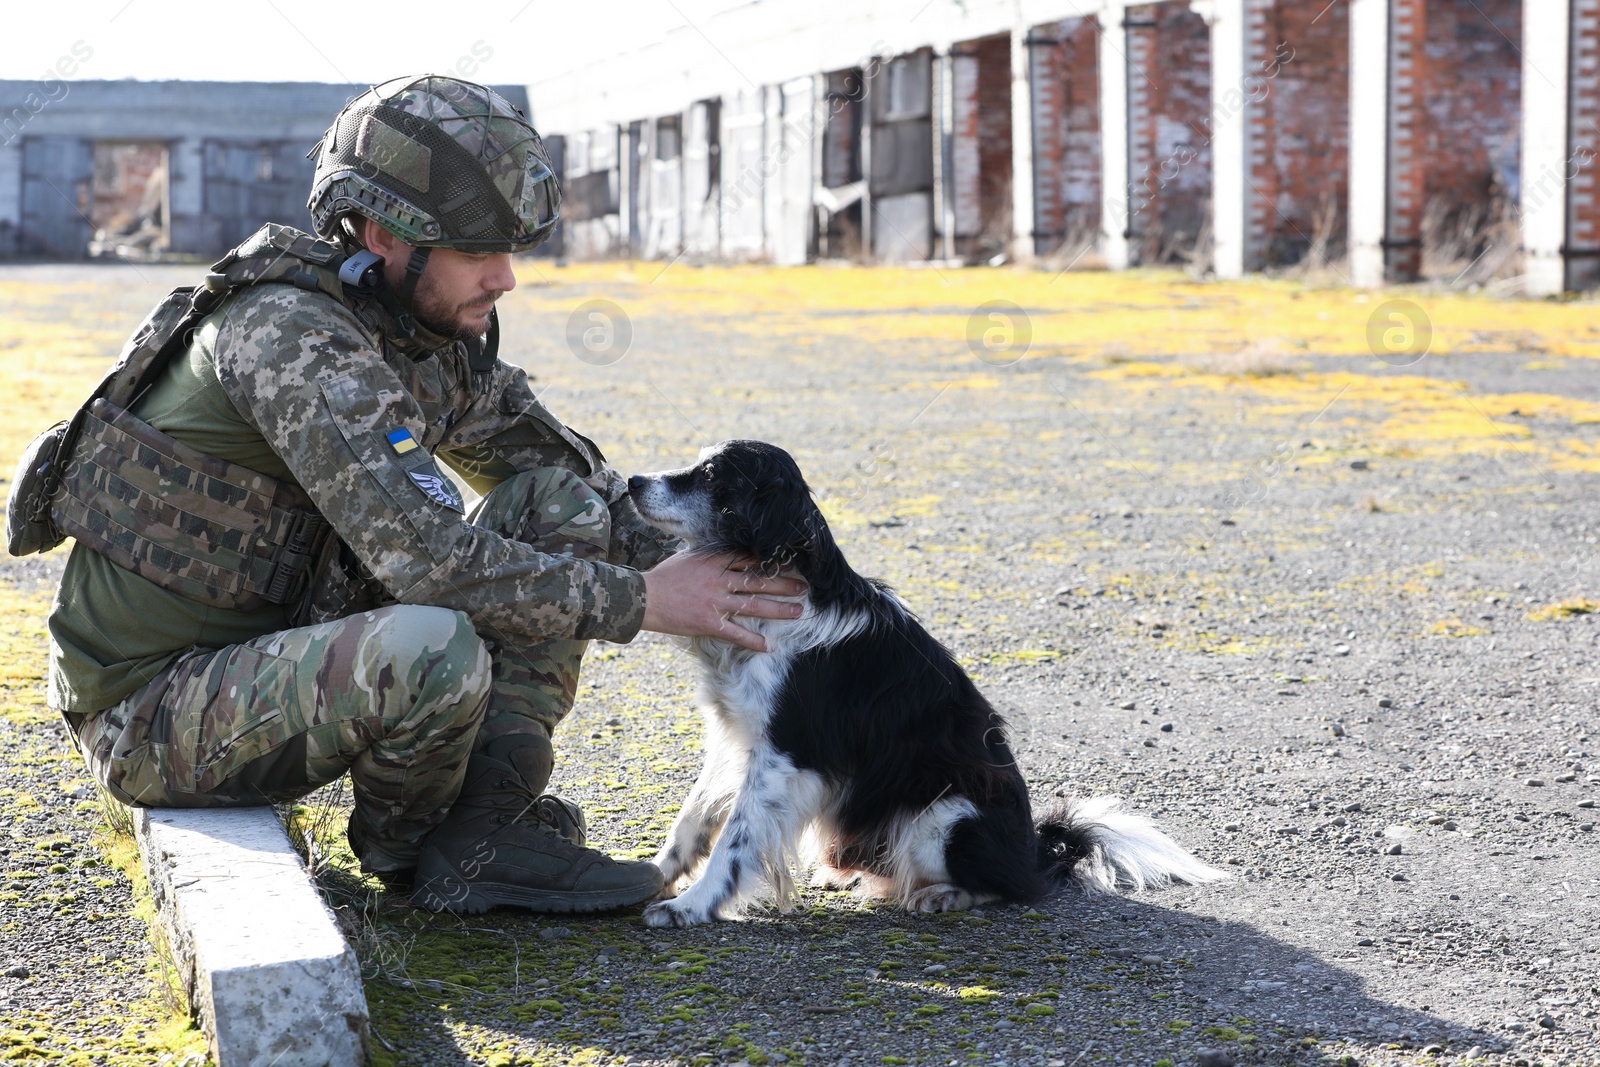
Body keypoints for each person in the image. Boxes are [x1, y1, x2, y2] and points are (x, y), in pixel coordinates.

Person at [46, 75, 803, 914]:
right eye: (479, 250)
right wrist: (640, 600)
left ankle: (487, 827)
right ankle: (421, 856)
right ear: (383, 233)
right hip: (153, 714)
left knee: (557, 505)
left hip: (270, 671)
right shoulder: (291, 339)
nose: (506, 277)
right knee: (434, 646)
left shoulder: (423, 339)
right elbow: (428, 563)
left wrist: (803, 603)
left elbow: (590, 498)